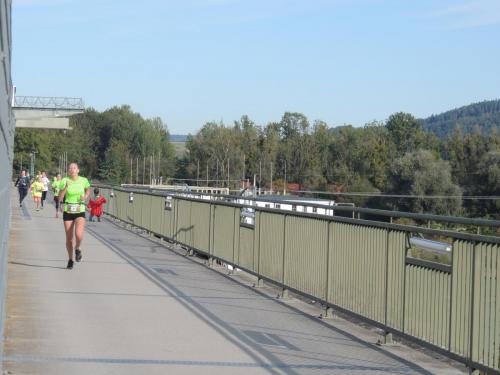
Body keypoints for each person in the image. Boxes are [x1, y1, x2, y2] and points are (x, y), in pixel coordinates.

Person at [58, 163, 90, 269]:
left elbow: (88, 190)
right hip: (68, 211)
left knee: (79, 235)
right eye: (70, 168)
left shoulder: (83, 180)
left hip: (79, 209)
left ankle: (78, 248)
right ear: (68, 170)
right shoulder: (64, 180)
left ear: (78, 170)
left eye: (74, 168)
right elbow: (60, 197)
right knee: (69, 238)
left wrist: (85, 196)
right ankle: (70, 259)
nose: (72, 169)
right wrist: (65, 188)